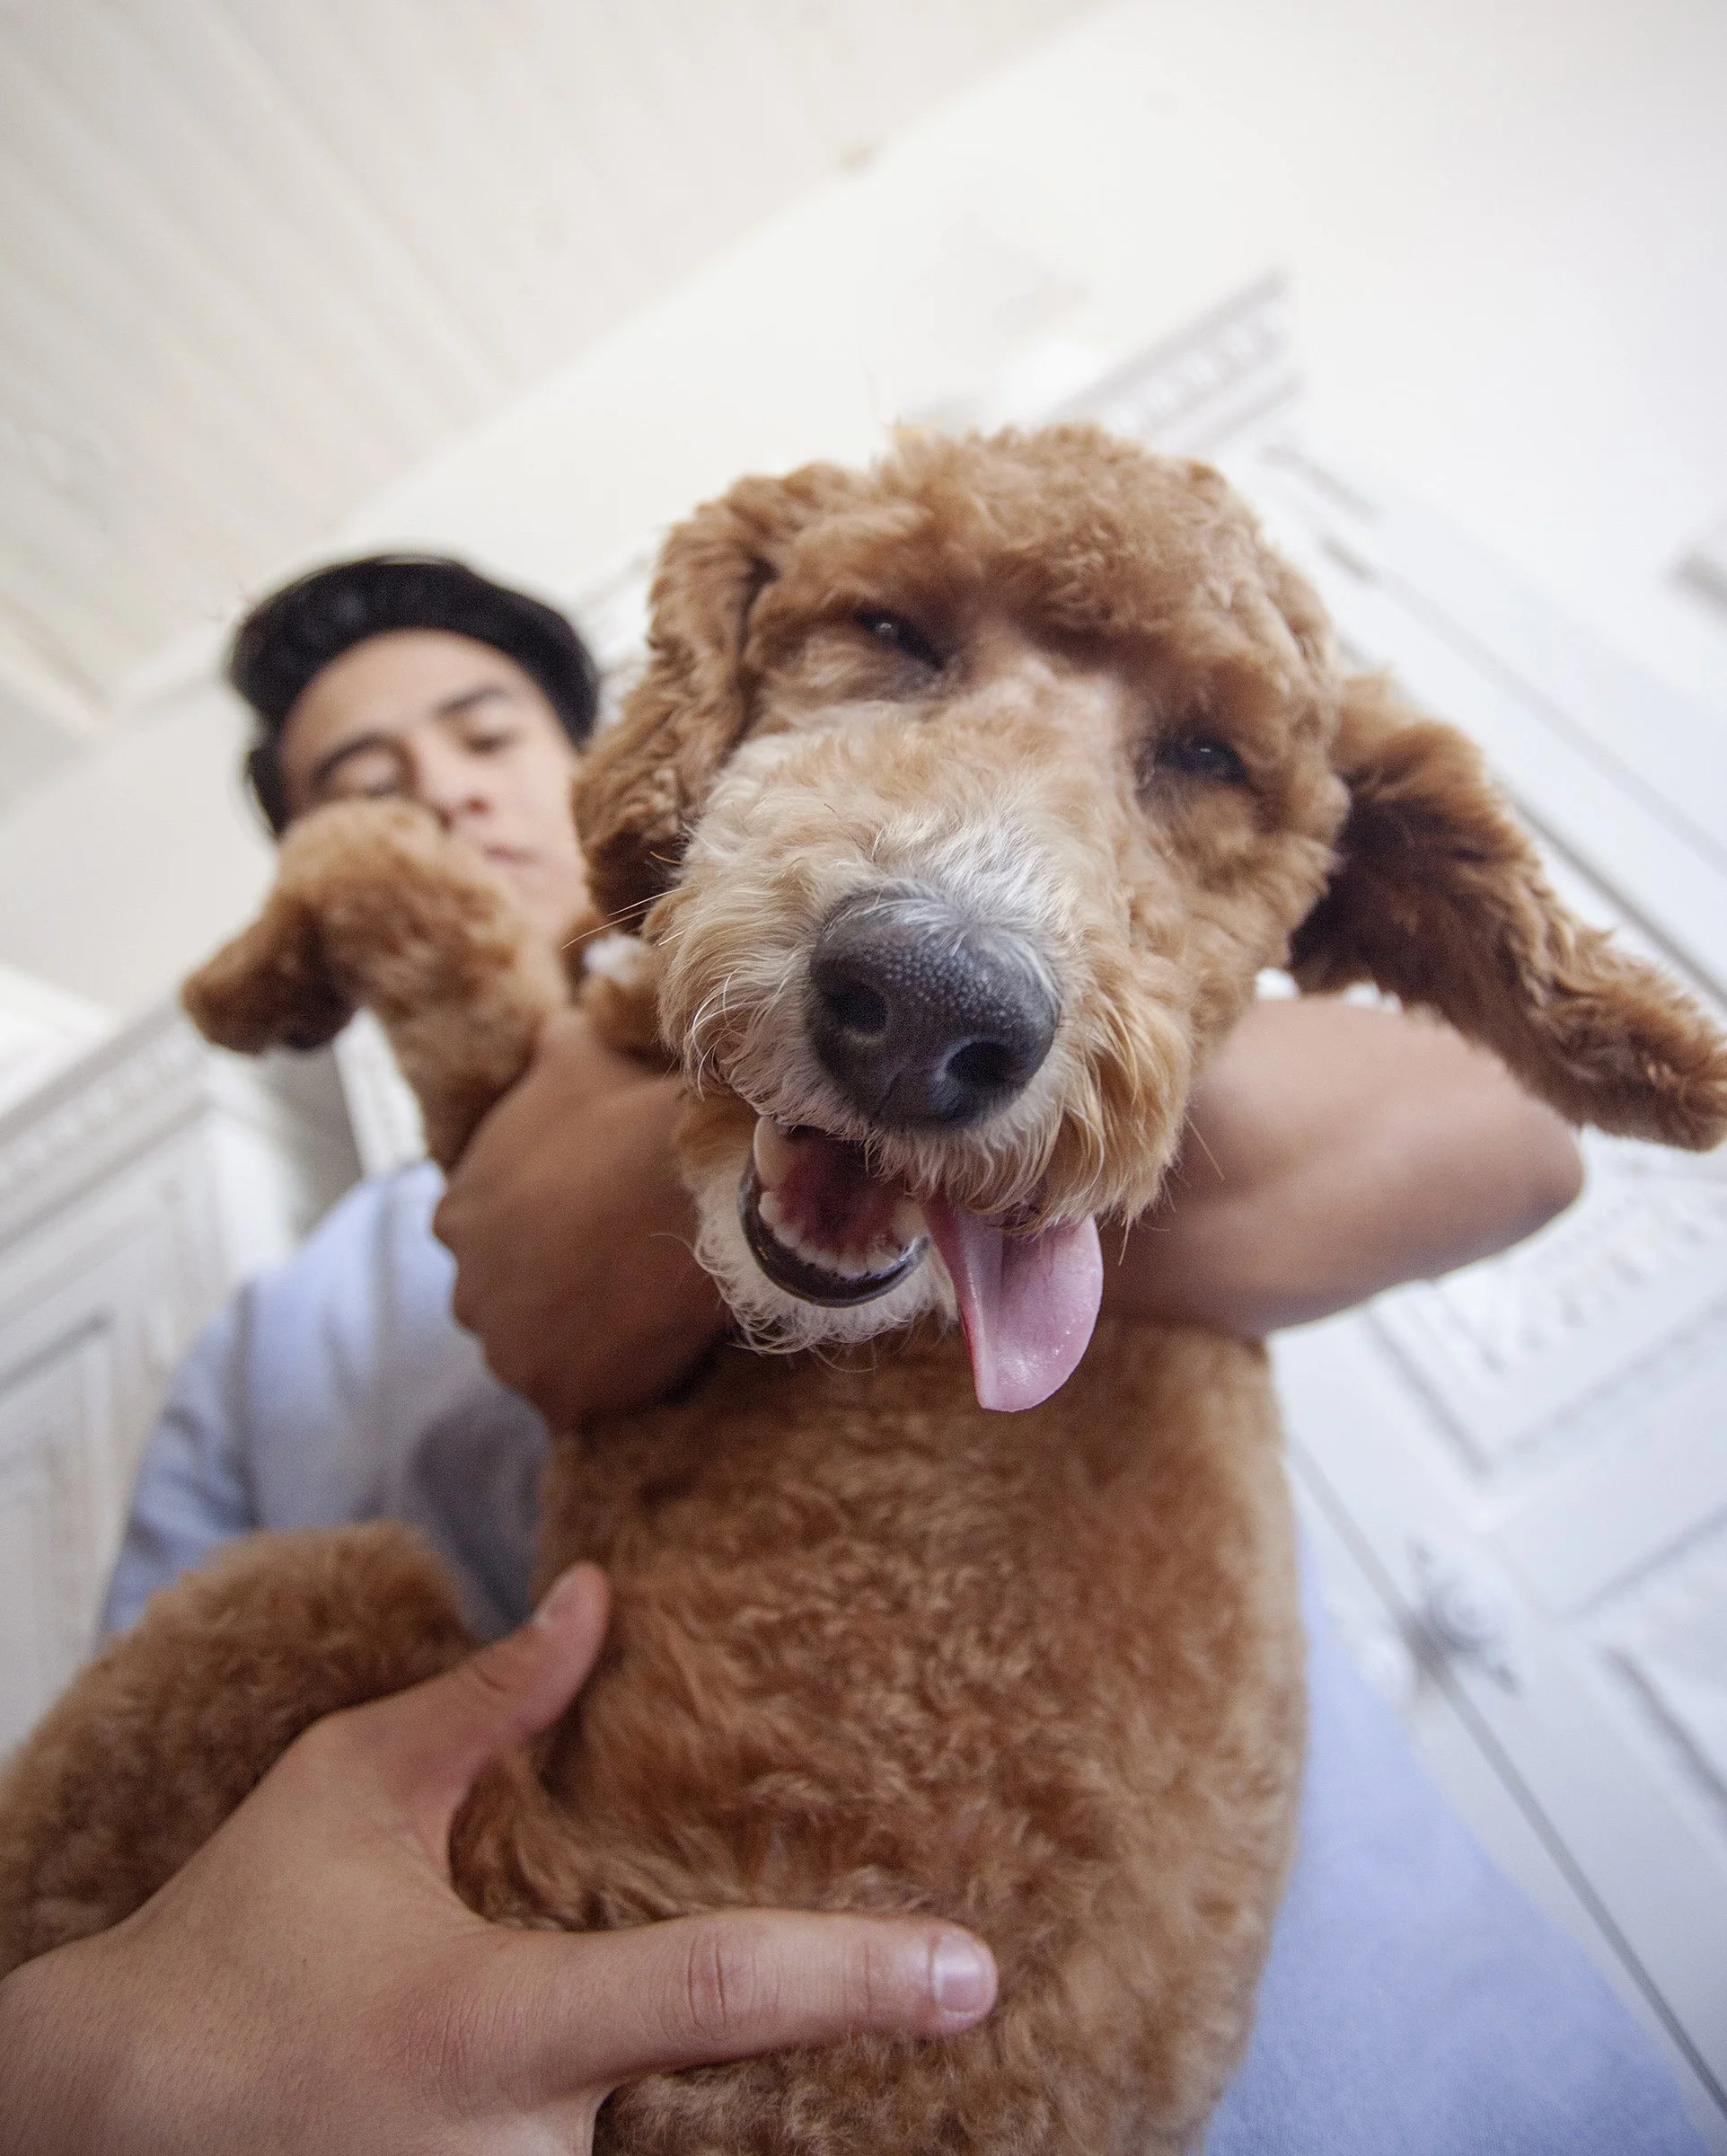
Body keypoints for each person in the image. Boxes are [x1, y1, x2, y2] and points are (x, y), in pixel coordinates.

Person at [0, 557, 1705, 2152]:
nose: (438, 794)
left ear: (615, 738)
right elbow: (129, 1817)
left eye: (481, 733)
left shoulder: (1069, 951)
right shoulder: (266, 1334)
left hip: (1417, 2084)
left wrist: (650, 1160)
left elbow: (1508, 1133)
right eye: (356, 785)